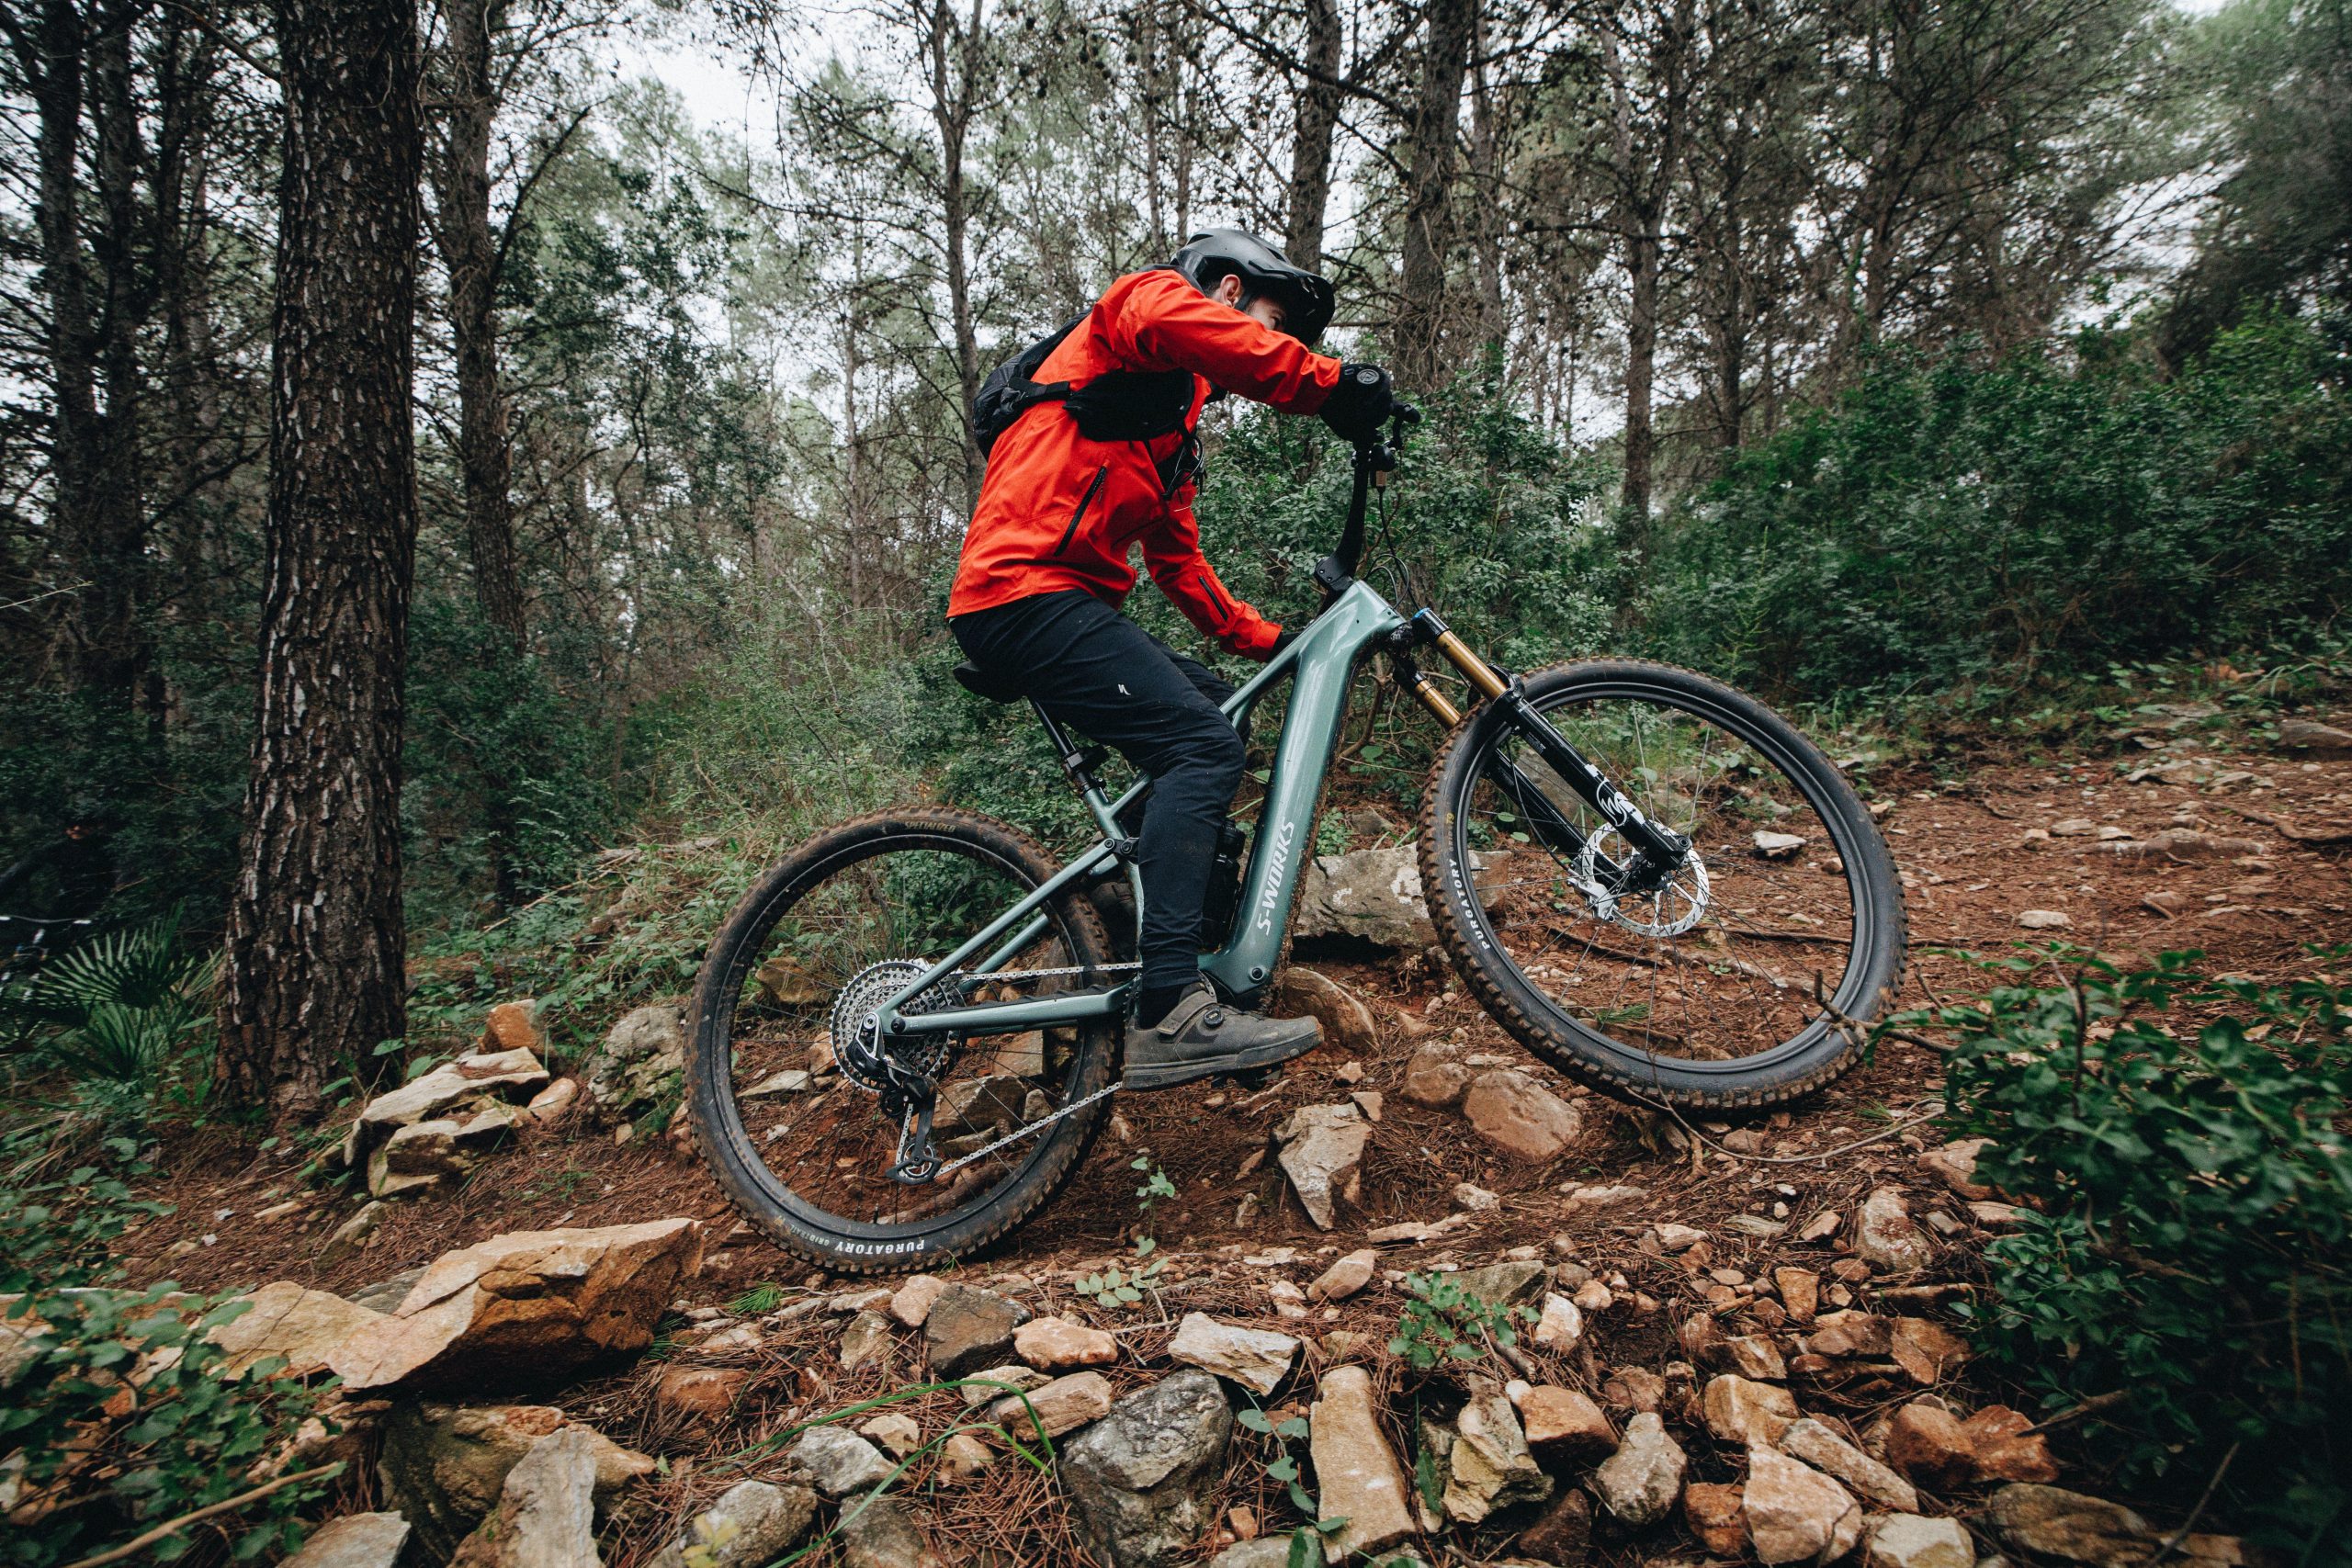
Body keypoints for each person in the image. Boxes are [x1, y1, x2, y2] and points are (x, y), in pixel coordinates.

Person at [949, 230, 1396, 1089]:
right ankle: (1170, 1008)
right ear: (1225, 289)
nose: (1277, 346)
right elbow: (1202, 332)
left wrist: (1274, 640)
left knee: (1214, 713)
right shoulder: (1136, 311)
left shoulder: (1167, 435)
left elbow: (1179, 564)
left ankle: (1138, 924)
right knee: (1202, 747)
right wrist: (1328, 383)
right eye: (1270, 322)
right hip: (1020, 593)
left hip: (1060, 601)